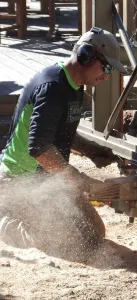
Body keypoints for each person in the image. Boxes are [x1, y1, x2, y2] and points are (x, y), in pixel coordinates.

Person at [0, 27, 126, 253]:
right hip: (20, 180)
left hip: (47, 180)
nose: (106, 75)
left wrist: (92, 150)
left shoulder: (74, 86)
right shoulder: (52, 88)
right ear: (86, 55)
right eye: (105, 67)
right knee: (63, 242)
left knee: (93, 235)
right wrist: (80, 180)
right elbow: (39, 148)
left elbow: (61, 129)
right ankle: (4, 216)